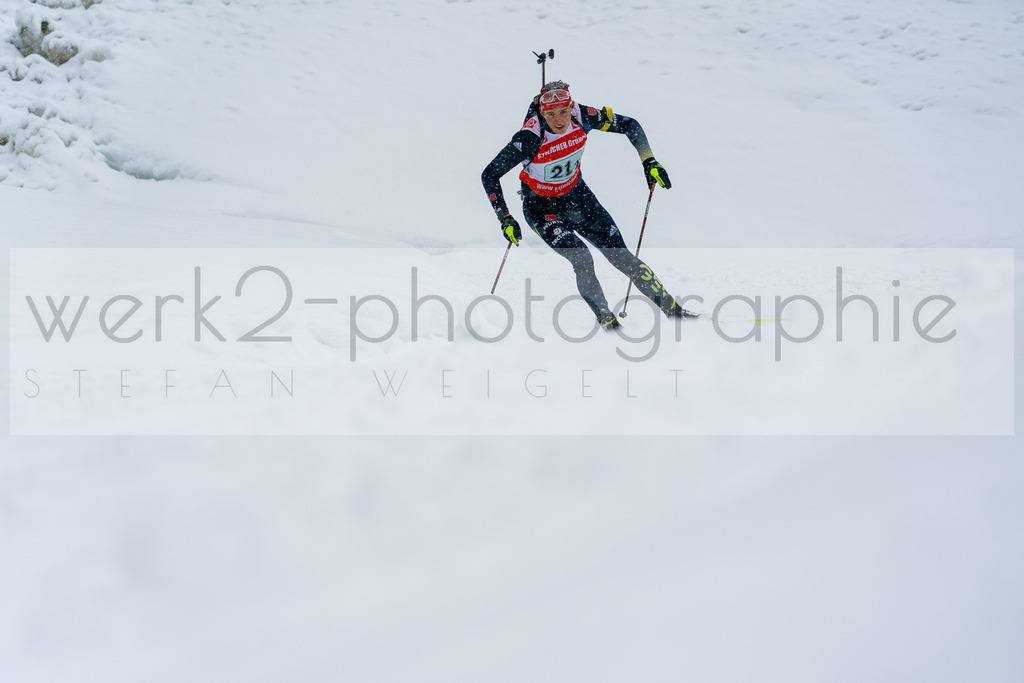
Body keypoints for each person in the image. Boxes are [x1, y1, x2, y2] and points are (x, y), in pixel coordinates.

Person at [482, 80, 696, 329]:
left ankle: (674, 312)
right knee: (582, 259)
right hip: (541, 208)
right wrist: (505, 218)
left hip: (579, 198)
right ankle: (609, 324)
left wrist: (649, 161)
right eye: (551, 114)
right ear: (542, 113)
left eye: (563, 111)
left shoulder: (582, 116)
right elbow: (490, 174)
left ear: (570, 106)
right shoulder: (529, 138)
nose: (559, 120)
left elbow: (630, 124)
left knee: (621, 256)